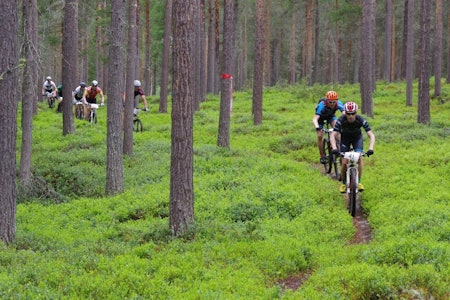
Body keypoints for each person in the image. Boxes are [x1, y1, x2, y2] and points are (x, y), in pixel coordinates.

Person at [330, 102, 375, 193]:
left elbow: (371, 135)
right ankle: (343, 183)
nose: (350, 116)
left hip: (356, 139)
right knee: (344, 162)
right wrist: (334, 147)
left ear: (356, 112)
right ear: (345, 113)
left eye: (353, 113)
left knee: (359, 159)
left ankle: (359, 182)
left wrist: (371, 148)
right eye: (348, 114)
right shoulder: (341, 120)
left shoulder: (360, 120)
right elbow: (333, 135)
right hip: (345, 139)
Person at [312, 90, 345, 164]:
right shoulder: (321, 105)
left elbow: (344, 113)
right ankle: (322, 155)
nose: (332, 104)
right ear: (327, 101)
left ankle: (340, 150)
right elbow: (315, 119)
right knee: (320, 136)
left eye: (334, 102)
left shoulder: (339, 103)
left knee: (338, 132)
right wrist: (317, 127)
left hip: (330, 116)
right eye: (330, 102)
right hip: (320, 119)